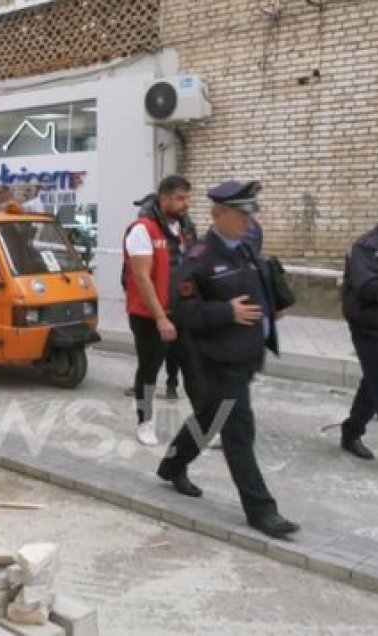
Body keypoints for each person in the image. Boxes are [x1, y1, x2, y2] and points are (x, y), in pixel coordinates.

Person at [157, 180, 299, 539]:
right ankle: (262, 511)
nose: (248, 221)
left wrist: (273, 309)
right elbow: (183, 312)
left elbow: (254, 289)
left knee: (208, 417)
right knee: (239, 433)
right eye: (241, 214)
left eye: (250, 213)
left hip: (245, 355)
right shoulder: (200, 258)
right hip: (219, 360)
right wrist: (226, 312)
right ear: (218, 214)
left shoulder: (245, 250)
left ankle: (172, 465)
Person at [123, 176, 205, 446]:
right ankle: (144, 422)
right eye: (181, 198)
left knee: (193, 369)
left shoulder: (183, 229)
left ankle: (205, 424)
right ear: (164, 198)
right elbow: (142, 278)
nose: (185, 204)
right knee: (149, 370)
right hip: (150, 317)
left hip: (182, 314)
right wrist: (160, 318)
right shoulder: (142, 230)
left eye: (187, 198)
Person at [337, 223, 378, 460]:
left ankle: (351, 431)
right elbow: (366, 287)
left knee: (372, 382)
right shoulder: (365, 247)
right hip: (368, 327)